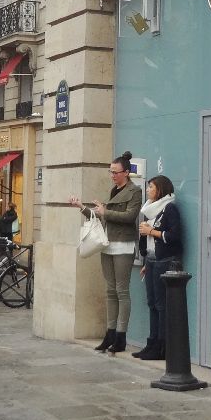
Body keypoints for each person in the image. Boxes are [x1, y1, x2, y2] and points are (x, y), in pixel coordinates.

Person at [69, 151, 141, 355]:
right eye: (110, 172)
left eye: (115, 172)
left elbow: (130, 216)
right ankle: (110, 334)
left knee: (122, 290)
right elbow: (101, 216)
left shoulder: (134, 192)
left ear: (126, 173)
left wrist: (105, 212)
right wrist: (81, 206)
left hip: (124, 244)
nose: (112, 175)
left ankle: (121, 337)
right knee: (110, 290)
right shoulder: (114, 190)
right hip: (107, 243)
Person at [133, 175, 183, 361]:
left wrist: (151, 231)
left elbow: (174, 235)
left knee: (162, 305)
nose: (148, 190)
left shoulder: (170, 208)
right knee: (152, 303)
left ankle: (162, 346)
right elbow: (148, 239)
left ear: (160, 189)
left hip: (165, 261)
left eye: (151, 187)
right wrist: (146, 262)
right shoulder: (150, 210)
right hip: (152, 261)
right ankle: (152, 342)